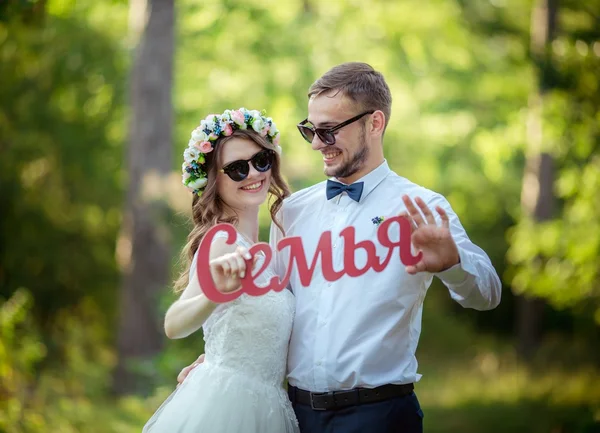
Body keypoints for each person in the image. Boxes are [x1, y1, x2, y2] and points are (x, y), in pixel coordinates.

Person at [178, 63, 502, 433]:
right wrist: (224, 364)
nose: (317, 143)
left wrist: (453, 264)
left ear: (374, 123)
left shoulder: (423, 207)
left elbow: (488, 293)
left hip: (380, 415)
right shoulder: (291, 212)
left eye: (329, 130)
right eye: (311, 130)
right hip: (295, 416)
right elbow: (272, 306)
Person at [142, 108, 299, 433]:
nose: (254, 173)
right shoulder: (222, 240)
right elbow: (174, 324)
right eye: (237, 169)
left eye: (261, 160)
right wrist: (216, 295)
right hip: (228, 407)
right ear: (214, 179)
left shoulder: (270, 250)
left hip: (270, 406)